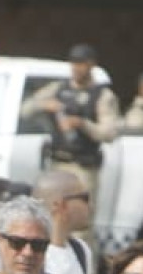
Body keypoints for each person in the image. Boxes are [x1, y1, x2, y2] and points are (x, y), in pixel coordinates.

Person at [21, 44, 119, 199]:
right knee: (51, 212)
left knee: (79, 216)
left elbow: (109, 134)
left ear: (91, 65)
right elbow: (25, 110)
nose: (76, 68)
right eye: (74, 63)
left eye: (81, 64)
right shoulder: (58, 88)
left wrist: (82, 124)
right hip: (57, 162)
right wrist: (44, 105)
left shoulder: (102, 95)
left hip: (83, 167)